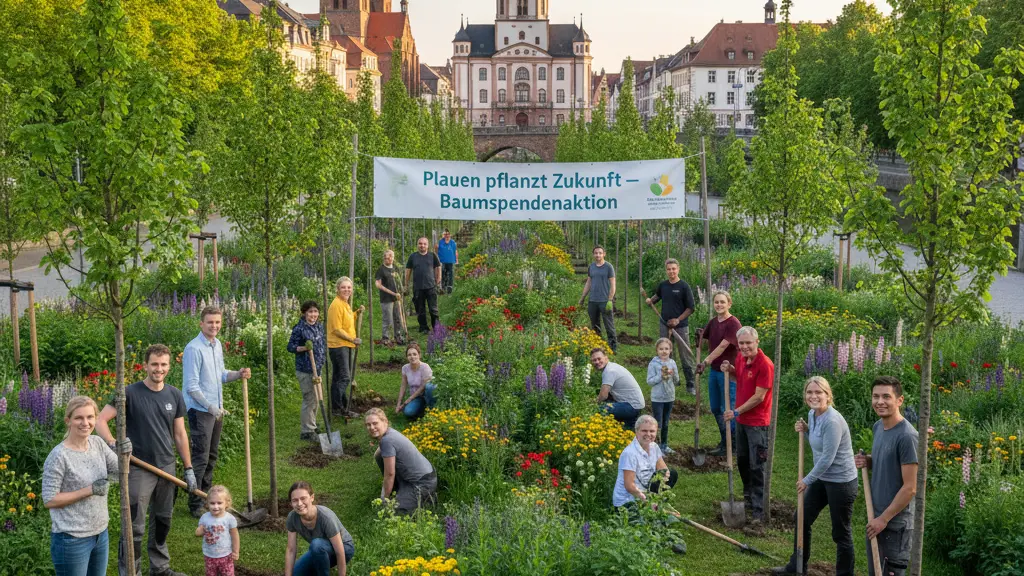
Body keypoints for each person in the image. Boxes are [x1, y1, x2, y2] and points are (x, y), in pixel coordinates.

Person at [98, 344, 195, 576]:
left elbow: (180, 434)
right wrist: (114, 444)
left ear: (169, 367)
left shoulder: (174, 394)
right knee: (134, 526)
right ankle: (131, 571)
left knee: (163, 520)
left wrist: (189, 468)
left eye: (163, 365)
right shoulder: (129, 393)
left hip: (167, 466)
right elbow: (100, 421)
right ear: (145, 365)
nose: (158, 369)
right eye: (154, 364)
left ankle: (160, 568)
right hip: (138, 468)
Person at [772, 377, 858, 576]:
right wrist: (806, 429)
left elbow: (828, 457)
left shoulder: (833, 421)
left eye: (819, 392)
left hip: (841, 482)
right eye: (810, 392)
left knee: (840, 532)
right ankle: (797, 566)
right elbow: (820, 441)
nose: (814, 396)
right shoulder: (812, 414)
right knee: (801, 517)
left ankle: (845, 574)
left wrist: (806, 480)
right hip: (824, 478)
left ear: (828, 395)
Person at [183, 306, 252, 518]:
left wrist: (238, 374)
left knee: (212, 455)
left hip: (215, 409)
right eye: (210, 322)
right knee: (201, 457)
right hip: (201, 410)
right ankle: (195, 501)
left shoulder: (216, 345)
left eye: (218, 322)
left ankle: (206, 496)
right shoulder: (194, 349)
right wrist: (210, 406)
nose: (214, 326)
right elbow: (192, 386)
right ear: (201, 323)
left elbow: (221, 375)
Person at [43, 396, 121, 576]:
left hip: (100, 533)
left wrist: (123, 451)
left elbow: (120, 472)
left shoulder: (98, 444)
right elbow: (49, 500)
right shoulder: (59, 456)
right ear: (68, 421)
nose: (85, 423)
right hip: (71, 538)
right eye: (79, 418)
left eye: (90, 417)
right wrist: (89, 490)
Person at [854, 376, 919, 576]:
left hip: (895, 524)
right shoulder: (878, 427)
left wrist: (884, 519)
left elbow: (910, 488)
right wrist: (869, 461)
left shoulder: (907, 436)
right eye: (875, 396)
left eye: (886, 396)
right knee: (875, 571)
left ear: (899, 400)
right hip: (875, 515)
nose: (880, 401)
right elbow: (888, 461)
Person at [722, 326, 775, 526]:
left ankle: (759, 511)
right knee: (743, 462)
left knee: (757, 466)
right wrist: (731, 370)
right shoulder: (741, 358)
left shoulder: (765, 364)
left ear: (757, 342)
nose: (744, 347)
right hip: (742, 422)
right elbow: (741, 378)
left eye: (748, 343)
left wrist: (736, 411)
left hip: (757, 424)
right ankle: (747, 498)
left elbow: (759, 396)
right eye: (741, 343)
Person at [696, 290, 742, 456]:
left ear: (729, 303)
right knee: (715, 407)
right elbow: (705, 335)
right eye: (716, 302)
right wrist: (699, 337)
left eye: (723, 302)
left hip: (728, 372)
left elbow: (723, 346)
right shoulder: (714, 321)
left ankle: (734, 444)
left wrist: (705, 361)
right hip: (715, 372)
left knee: (727, 408)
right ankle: (725, 440)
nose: (719, 305)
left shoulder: (733, 323)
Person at [364, 408, 438, 513]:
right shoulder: (389, 433)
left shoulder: (387, 440)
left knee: (393, 511)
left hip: (422, 483)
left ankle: (425, 498)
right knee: (379, 455)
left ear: (385, 422)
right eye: (368, 424)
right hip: (426, 475)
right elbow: (379, 454)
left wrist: (383, 499)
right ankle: (400, 492)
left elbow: (389, 474)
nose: (371, 427)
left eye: (375, 423)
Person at [645, 258, 697, 395]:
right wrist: (651, 300)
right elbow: (658, 296)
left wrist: (678, 320)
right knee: (666, 353)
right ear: (666, 270)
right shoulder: (663, 285)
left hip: (680, 327)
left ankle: (691, 385)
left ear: (678, 269)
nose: (671, 272)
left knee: (685, 355)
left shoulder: (684, 287)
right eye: (669, 269)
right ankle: (671, 380)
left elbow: (691, 308)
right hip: (664, 323)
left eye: (674, 269)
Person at [284, 481, 354, 576]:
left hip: (345, 549)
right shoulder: (292, 517)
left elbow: (339, 550)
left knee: (316, 545)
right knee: (296, 573)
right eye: (295, 500)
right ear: (291, 503)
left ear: (312, 498)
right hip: (319, 549)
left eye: (303, 498)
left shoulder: (326, 517)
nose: (299, 503)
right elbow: (291, 549)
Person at [612, 415, 679, 509]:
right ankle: (651, 506)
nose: (648, 434)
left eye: (652, 431)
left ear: (656, 432)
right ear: (636, 431)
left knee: (672, 474)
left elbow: (663, 469)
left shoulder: (654, 447)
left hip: (645, 488)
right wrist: (647, 501)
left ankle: (656, 503)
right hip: (627, 501)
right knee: (643, 520)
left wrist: (665, 475)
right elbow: (629, 486)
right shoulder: (630, 453)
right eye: (644, 431)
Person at [287, 301, 327, 441]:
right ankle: (307, 431)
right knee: (309, 399)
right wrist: (304, 348)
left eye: (315, 311)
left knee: (316, 398)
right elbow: (290, 347)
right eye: (310, 312)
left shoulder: (318, 326)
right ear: (304, 313)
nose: (313, 315)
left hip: (317, 368)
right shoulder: (299, 328)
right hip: (305, 369)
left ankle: (312, 425)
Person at [327, 277, 363, 416]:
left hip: (345, 345)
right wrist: (352, 339)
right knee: (344, 377)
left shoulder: (344, 303)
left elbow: (345, 322)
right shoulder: (336, 305)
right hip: (339, 346)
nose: (347, 290)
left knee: (338, 377)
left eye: (349, 287)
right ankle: (337, 408)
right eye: (343, 287)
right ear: (337, 289)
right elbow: (336, 329)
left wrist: (356, 313)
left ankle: (339, 406)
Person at [590, 348, 646, 431]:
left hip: (632, 406)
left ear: (606, 358)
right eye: (594, 360)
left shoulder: (609, 371)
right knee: (627, 430)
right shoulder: (611, 366)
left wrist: (592, 404)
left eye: (599, 359)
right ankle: (627, 427)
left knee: (601, 409)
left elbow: (603, 395)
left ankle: (602, 431)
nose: (597, 362)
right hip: (633, 404)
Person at [578, 246, 617, 353]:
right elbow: (589, 282)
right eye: (596, 253)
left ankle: (612, 346)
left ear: (604, 254)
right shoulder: (591, 267)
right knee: (594, 324)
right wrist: (582, 297)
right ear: (593, 254)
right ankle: (597, 345)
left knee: (609, 325)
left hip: (605, 301)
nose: (598, 255)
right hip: (593, 301)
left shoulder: (609, 267)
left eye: (600, 253)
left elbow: (613, 285)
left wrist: (610, 299)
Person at [195, 485, 239, 576]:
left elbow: (235, 536)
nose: (215, 506)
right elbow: (198, 532)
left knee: (228, 574)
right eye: (212, 503)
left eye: (219, 503)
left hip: (226, 555)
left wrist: (235, 551)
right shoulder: (205, 517)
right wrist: (200, 530)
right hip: (209, 555)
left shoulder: (229, 519)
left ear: (227, 503)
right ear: (207, 504)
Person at [646, 338, 679, 454]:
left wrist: (673, 374)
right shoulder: (653, 364)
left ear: (670, 350)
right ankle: (655, 447)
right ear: (657, 350)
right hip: (657, 398)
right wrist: (661, 375)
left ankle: (664, 445)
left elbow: (677, 381)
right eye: (661, 349)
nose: (664, 351)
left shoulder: (672, 363)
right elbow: (649, 381)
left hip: (669, 397)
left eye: (666, 349)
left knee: (665, 422)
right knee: (657, 422)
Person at [405, 237, 441, 333]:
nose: (422, 245)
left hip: (431, 287)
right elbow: (408, 270)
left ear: (427, 245)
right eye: (420, 243)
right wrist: (406, 284)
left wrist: (438, 279)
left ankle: (436, 328)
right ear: (417, 245)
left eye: (424, 244)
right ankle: (423, 327)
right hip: (418, 287)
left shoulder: (432, 255)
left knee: (433, 309)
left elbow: (438, 267)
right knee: (420, 309)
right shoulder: (413, 256)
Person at [395, 342, 435, 420]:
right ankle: (422, 407)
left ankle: (431, 408)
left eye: (414, 354)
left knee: (430, 387)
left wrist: (409, 399)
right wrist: (398, 404)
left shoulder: (425, 367)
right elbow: (403, 386)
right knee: (408, 412)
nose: (412, 357)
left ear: (419, 355)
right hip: (417, 397)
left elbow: (423, 387)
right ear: (406, 357)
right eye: (409, 355)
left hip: (427, 394)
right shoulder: (405, 368)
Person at [374, 250, 406, 346]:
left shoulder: (395, 268)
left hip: (397, 298)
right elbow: (378, 285)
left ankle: (398, 336)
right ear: (384, 258)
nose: (390, 259)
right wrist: (392, 293)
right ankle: (386, 338)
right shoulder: (381, 270)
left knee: (397, 318)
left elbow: (398, 281)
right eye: (387, 258)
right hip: (386, 298)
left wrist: (400, 291)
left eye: (391, 257)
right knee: (388, 319)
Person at [437, 229, 458, 294]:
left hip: (450, 261)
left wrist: (457, 260)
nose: (446, 235)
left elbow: (455, 251)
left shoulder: (453, 242)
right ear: (443, 235)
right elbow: (436, 251)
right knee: (443, 275)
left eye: (448, 234)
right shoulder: (440, 242)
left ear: (450, 235)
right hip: (442, 261)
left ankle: (449, 290)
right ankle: (443, 289)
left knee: (450, 275)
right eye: (445, 234)